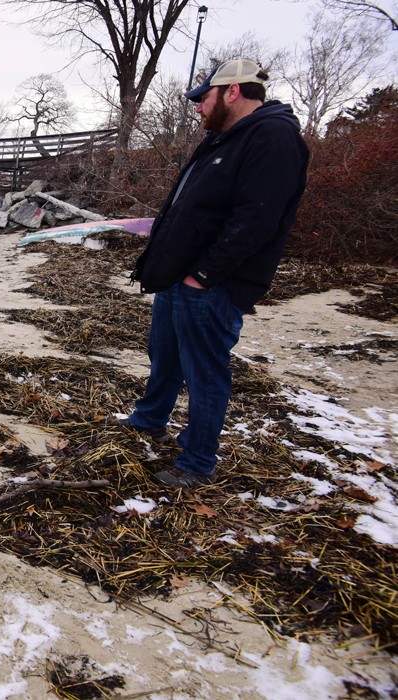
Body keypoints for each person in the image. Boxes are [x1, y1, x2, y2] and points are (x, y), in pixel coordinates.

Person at [122, 58, 309, 488]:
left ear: (231, 91)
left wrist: (203, 275)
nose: (198, 108)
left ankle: (197, 462)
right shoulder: (224, 138)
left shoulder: (273, 136)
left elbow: (257, 220)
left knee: (205, 371)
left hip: (212, 284)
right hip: (180, 277)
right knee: (165, 357)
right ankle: (149, 420)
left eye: (203, 98)